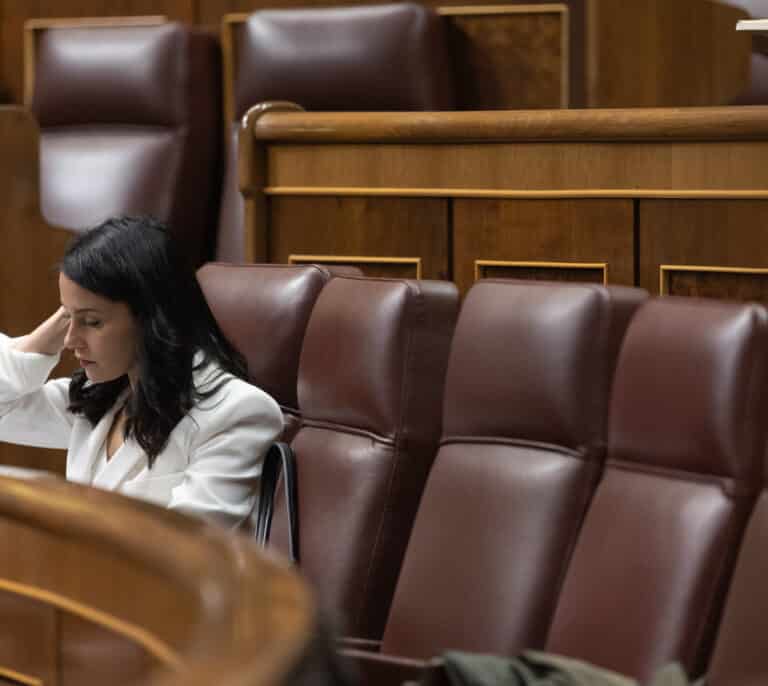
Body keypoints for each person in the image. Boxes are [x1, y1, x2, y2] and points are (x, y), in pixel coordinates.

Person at [0, 215, 283, 528]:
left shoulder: (238, 412)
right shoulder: (103, 398)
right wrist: (64, 319)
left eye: (92, 322)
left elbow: (187, 548)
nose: (70, 341)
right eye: (68, 318)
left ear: (152, 320)